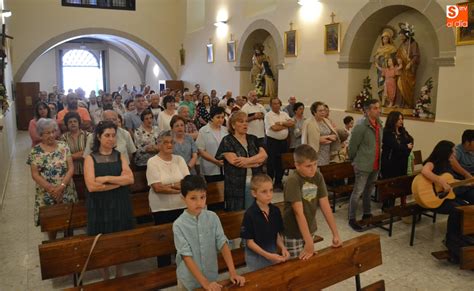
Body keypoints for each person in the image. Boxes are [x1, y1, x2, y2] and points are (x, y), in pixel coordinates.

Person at [173, 175, 245, 290]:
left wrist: (233, 272)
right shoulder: (179, 225)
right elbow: (186, 256)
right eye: (193, 198)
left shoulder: (212, 217)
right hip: (188, 280)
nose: (199, 202)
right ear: (183, 198)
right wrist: (205, 283)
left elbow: (223, 243)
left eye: (202, 197)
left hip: (210, 276)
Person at [83, 120, 135, 279]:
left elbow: (130, 179)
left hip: (120, 203)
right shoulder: (90, 158)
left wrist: (105, 178)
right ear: (98, 137)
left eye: (113, 135)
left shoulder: (119, 155)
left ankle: (119, 274)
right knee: (102, 244)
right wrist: (118, 182)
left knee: (120, 241)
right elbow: (92, 186)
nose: (111, 139)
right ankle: (105, 276)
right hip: (99, 205)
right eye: (107, 135)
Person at [282, 144, 342, 259]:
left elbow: (325, 205)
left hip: (309, 227)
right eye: (308, 166)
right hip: (293, 232)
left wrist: (335, 233)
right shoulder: (293, 180)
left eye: (315, 164)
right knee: (295, 266)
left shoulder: (317, 176)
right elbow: (298, 213)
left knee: (308, 261)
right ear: (297, 165)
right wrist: (309, 242)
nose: (313, 168)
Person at [420, 141, 472, 258]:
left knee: (464, 207)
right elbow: (425, 171)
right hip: (434, 199)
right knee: (456, 209)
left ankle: (461, 237)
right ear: (445, 152)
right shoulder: (433, 162)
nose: (454, 153)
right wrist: (440, 180)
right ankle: (451, 240)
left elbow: (450, 182)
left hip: (444, 197)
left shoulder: (448, 163)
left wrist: (465, 183)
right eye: (452, 151)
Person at [27, 118, 77, 239]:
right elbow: (35, 174)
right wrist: (52, 189)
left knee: (69, 221)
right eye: (47, 133)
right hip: (46, 193)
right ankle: (52, 243)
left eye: (53, 131)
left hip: (66, 190)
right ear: (40, 134)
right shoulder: (35, 151)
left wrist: (61, 186)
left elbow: (71, 168)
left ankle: (70, 243)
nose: (51, 135)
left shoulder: (63, 146)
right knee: (51, 223)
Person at [147, 130, 190, 267]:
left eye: (171, 142)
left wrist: (170, 186)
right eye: (165, 142)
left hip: (181, 205)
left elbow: (187, 183)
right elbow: (157, 188)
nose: (169, 145)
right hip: (161, 208)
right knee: (163, 241)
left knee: (183, 239)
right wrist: (177, 187)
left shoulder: (179, 159)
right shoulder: (153, 161)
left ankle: (185, 266)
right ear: (158, 145)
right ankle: (164, 269)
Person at [215, 111, 267, 211]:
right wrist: (255, 162)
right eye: (241, 121)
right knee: (240, 214)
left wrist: (247, 160)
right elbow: (236, 162)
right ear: (233, 125)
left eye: (246, 121)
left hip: (256, 182)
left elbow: (264, 155)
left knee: (256, 212)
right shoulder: (227, 140)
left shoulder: (253, 138)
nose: (245, 124)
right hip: (236, 185)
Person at [241, 174, 290, 271]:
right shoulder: (250, 214)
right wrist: (268, 256)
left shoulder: (275, 211)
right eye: (264, 191)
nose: (269, 194)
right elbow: (250, 243)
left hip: (272, 252)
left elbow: (277, 234)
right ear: (254, 193)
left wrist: (283, 248)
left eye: (271, 190)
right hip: (256, 258)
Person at [347, 99, 383, 231]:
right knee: (358, 192)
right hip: (362, 164)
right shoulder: (361, 125)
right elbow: (352, 146)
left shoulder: (379, 123)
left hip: (375, 163)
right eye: (375, 108)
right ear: (367, 111)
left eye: (379, 108)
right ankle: (351, 218)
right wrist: (354, 160)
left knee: (369, 190)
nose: (378, 110)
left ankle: (367, 213)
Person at [380, 111, 413, 207]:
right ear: (392, 119)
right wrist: (405, 147)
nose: (401, 121)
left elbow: (411, 140)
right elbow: (394, 145)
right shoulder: (387, 132)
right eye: (399, 119)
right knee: (390, 186)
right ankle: (386, 207)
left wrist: (405, 149)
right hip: (390, 163)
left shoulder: (403, 131)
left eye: (402, 119)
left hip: (402, 162)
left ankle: (393, 206)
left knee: (398, 185)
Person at [264, 97, 295, 190]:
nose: (276, 105)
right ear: (270, 105)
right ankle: (269, 181)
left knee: (282, 162)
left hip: (283, 142)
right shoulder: (268, 115)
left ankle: (278, 181)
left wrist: (281, 123)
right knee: (271, 162)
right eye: (274, 103)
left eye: (278, 103)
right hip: (272, 142)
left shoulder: (284, 114)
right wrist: (286, 126)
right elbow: (274, 128)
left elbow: (292, 123)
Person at [301, 102, 340, 166]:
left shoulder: (326, 120)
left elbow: (334, 135)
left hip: (326, 151)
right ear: (314, 112)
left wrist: (326, 138)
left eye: (324, 110)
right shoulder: (308, 122)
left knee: (325, 170)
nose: (323, 112)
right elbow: (304, 140)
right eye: (320, 111)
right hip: (315, 152)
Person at [196, 107, 227, 183]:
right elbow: (201, 150)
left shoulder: (226, 130)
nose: (221, 120)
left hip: (225, 167)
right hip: (210, 167)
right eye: (218, 117)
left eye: (222, 117)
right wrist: (215, 161)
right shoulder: (203, 131)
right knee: (213, 191)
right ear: (212, 118)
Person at [396, 22, 420, 108]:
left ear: (406, 35)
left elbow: (416, 56)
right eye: (400, 36)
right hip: (402, 69)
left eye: (402, 36)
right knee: (399, 85)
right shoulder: (401, 45)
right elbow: (398, 54)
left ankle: (407, 103)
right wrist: (398, 59)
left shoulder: (413, 44)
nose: (401, 38)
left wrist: (410, 63)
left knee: (407, 87)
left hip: (409, 69)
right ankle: (400, 103)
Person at [374, 29, 397, 100]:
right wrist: (377, 58)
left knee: (387, 85)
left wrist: (386, 57)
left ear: (389, 39)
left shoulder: (392, 48)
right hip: (380, 69)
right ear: (382, 39)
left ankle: (388, 100)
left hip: (388, 69)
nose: (385, 40)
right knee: (380, 83)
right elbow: (375, 58)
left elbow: (394, 58)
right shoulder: (379, 48)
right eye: (384, 38)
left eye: (387, 38)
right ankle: (381, 100)